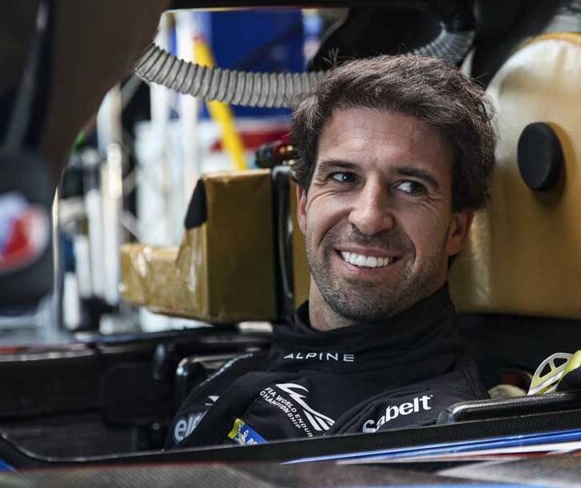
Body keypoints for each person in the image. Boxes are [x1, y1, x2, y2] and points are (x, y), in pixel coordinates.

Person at [167, 54, 497, 448]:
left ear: (457, 228)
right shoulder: (235, 374)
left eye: (411, 187)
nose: (369, 218)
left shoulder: (437, 432)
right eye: (343, 177)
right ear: (304, 205)